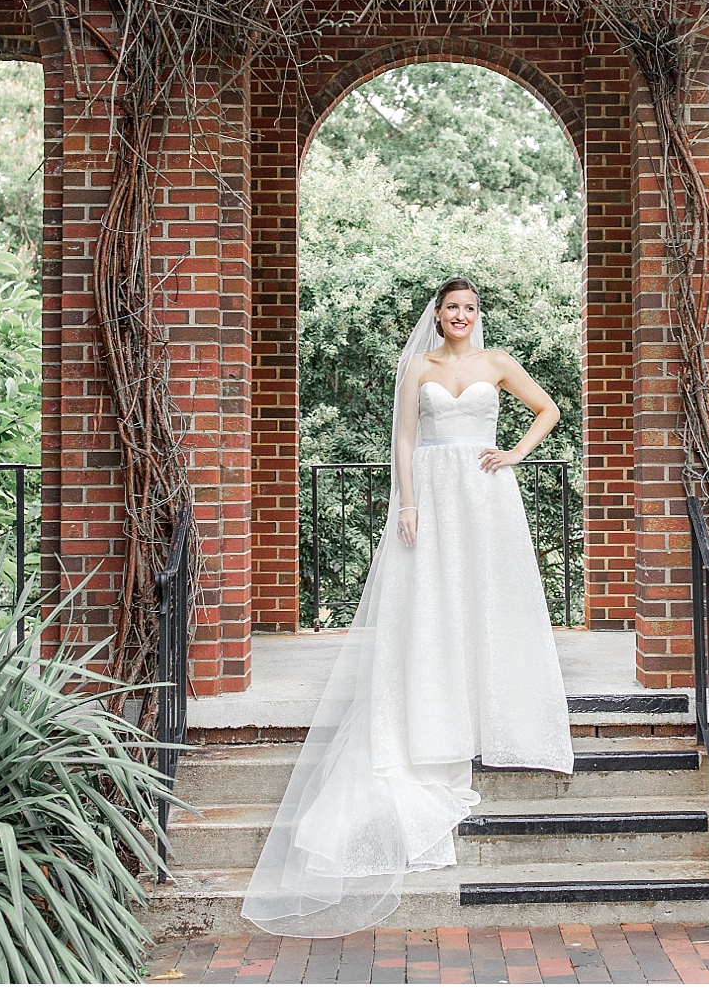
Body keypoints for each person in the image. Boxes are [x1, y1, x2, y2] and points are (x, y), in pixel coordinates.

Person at [240, 276, 574, 937]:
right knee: (433, 608)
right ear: (438, 314)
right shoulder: (417, 366)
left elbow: (549, 410)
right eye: (452, 306)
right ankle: (434, 711)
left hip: (483, 493)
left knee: (486, 603)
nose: (460, 315)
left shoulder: (497, 364)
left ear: (478, 314)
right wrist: (408, 503)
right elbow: (402, 440)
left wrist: (512, 454)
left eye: (471, 307)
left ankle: (495, 710)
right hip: (433, 493)